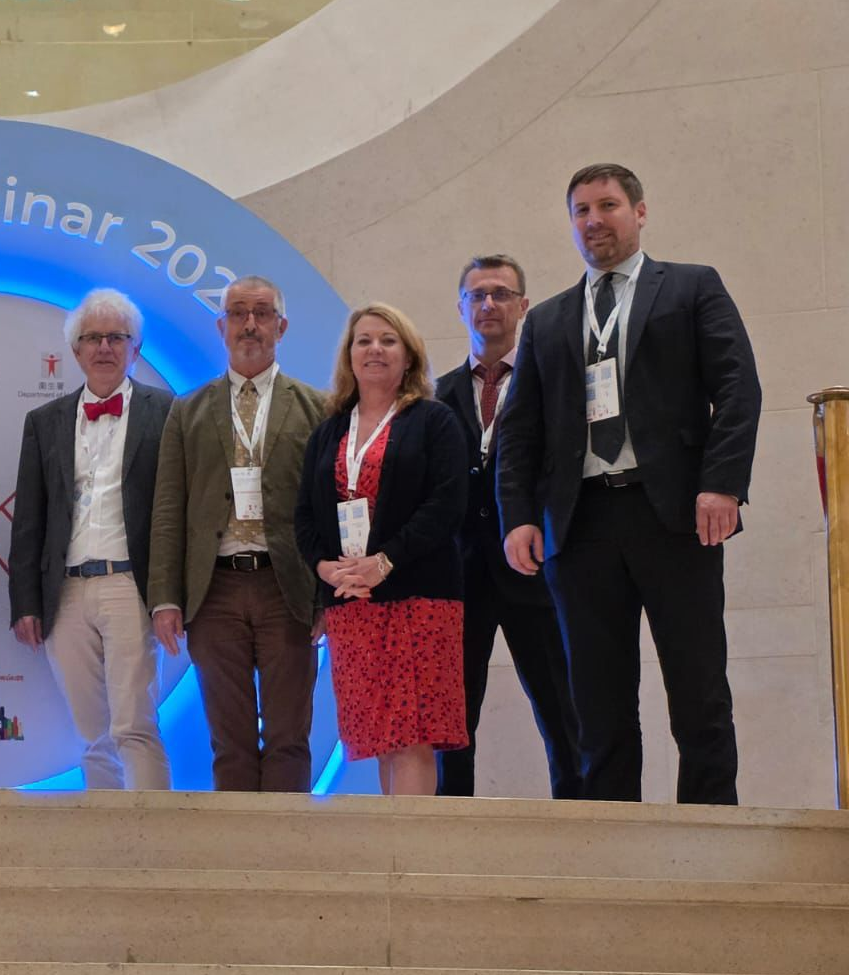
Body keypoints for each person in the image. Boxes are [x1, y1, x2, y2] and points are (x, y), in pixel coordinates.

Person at [498, 162, 762, 806]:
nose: (594, 221)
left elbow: (737, 389)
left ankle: (711, 832)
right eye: (581, 211)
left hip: (674, 514)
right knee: (597, 700)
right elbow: (520, 430)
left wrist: (722, 485)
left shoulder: (692, 287)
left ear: (639, 212)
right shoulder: (548, 319)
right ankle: (612, 836)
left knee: (698, 690)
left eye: (608, 205)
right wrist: (519, 516)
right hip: (580, 524)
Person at [148, 276, 328, 792]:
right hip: (214, 590)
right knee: (229, 739)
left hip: (287, 587)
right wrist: (165, 597)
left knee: (289, 736)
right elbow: (169, 508)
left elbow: (328, 507)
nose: (250, 324)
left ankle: (286, 841)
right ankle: (236, 842)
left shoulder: (317, 407)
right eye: (238, 313)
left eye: (262, 313)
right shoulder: (188, 410)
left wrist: (326, 597)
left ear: (281, 327)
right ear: (221, 326)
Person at [295, 303, 469, 796]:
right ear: (348, 356)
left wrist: (385, 561)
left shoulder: (434, 420)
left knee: (413, 736)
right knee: (382, 736)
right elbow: (305, 515)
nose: (375, 349)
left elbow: (446, 505)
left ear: (409, 356)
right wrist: (325, 568)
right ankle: (394, 840)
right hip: (353, 604)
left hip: (419, 599)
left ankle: (412, 845)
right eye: (364, 340)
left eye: (388, 340)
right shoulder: (330, 431)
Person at [8, 289, 175, 790]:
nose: (104, 347)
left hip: (131, 586)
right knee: (90, 733)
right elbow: (29, 518)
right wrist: (25, 602)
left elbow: (176, 512)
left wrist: (170, 594)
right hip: (65, 593)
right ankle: (105, 831)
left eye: (116, 337)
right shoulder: (44, 421)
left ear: (136, 348)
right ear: (75, 350)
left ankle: (154, 832)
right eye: (93, 338)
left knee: (134, 724)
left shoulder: (168, 412)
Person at [435, 256, 582, 799]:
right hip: (458, 578)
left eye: (500, 293)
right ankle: (451, 831)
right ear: (461, 308)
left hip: (534, 570)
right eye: (477, 295)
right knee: (452, 723)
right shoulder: (434, 396)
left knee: (563, 714)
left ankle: (580, 824)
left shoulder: (553, 387)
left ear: (523, 306)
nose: (488, 304)